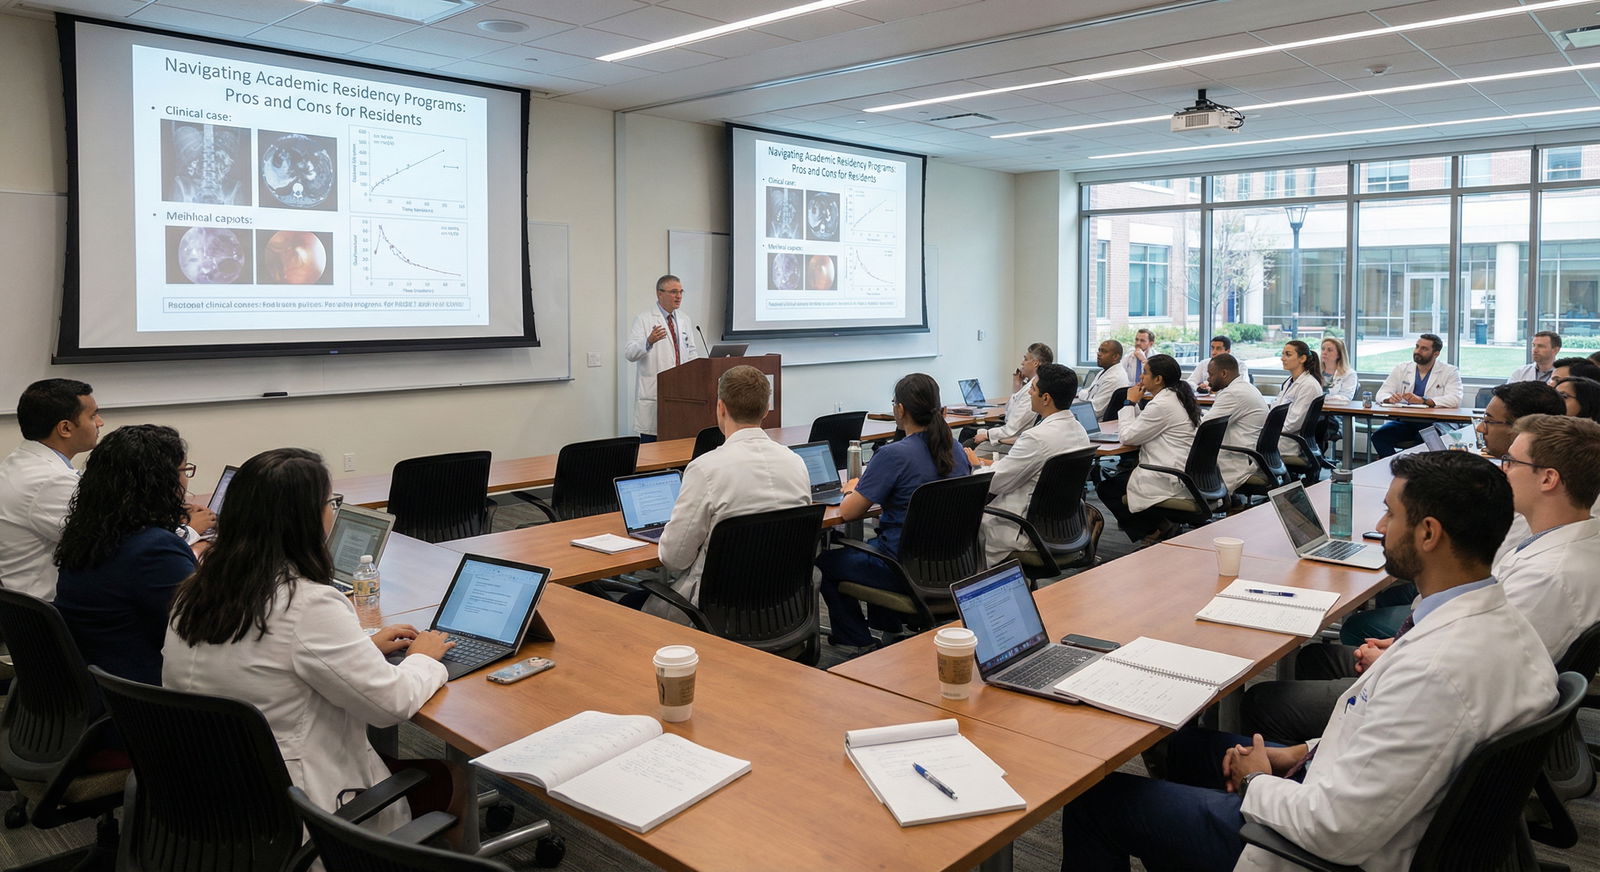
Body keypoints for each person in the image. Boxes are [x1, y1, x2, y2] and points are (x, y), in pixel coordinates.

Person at [1062, 451, 1555, 872]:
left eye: (1390, 515)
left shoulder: (1437, 668)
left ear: (1428, 533)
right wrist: (1296, 752)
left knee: (1093, 801)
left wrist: (1257, 779)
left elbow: (1336, 830)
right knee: (1186, 747)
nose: (1380, 528)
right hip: (1344, 792)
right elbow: (1390, 739)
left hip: (1308, 852)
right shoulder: (1500, 624)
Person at [164, 448, 455, 832]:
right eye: (331, 502)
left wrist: (362, 649)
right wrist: (424, 658)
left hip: (209, 793)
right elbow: (390, 705)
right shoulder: (307, 603)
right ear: (305, 518)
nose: (333, 512)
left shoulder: (195, 589)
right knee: (451, 778)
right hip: (297, 808)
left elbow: (265, 663)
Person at [817, 373, 970, 653]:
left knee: (827, 562)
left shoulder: (892, 455)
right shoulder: (955, 449)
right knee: (876, 543)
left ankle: (856, 639)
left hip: (903, 569)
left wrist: (853, 487)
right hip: (951, 565)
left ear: (899, 410)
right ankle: (889, 628)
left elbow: (850, 513)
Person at [649, 366, 810, 624]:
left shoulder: (706, 469)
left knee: (629, 607)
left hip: (714, 612)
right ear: (766, 409)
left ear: (720, 408)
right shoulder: (795, 463)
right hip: (780, 608)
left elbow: (673, 559)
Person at [51, 425, 196, 686]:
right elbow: (200, 630)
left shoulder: (88, 536)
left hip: (104, 687)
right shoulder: (155, 551)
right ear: (161, 482)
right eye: (184, 471)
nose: (186, 481)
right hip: (148, 701)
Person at [967, 364, 1088, 566]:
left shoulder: (1037, 437)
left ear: (1046, 398)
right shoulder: (1079, 430)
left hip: (1024, 529)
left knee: (958, 530)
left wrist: (977, 465)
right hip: (1063, 527)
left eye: (1032, 389)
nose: (1030, 393)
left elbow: (996, 484)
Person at [0, 379, 102, 600]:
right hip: (49, 613)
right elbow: (107, 543)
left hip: (20, 608)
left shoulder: (21, 461)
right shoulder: (51, 480)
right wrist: (186, 529)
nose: (100, 422)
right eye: (93, 416)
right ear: (65, 428)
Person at [1094, 354, 1199, 546]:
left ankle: (1153, 531)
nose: (1141, 377)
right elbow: (1144, 426)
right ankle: (1162, 526)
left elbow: (1128, 437)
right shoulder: (1175, 397)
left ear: (1158, 379)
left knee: (1107, 489)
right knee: (1120, 480)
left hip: (1167, 475)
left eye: (1145, 373)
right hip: (1179, 470)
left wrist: (1129, 403)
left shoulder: (1162, 403)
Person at [623, 275, 700, 441]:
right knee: (652, 449)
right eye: (673, 292)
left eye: (680, 292)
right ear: (659, 294)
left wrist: (699, 369)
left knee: (679, 446)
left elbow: (691, 351)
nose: (678, 296)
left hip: (681, 395)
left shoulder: (684, 319)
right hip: (655, 394)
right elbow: (629, 353)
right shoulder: (644, 319)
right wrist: (648, 341)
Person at [1370, 334, 1462, 457]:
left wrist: (1424, 401)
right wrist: (1389, 398)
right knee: (1379, 437)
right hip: (1408, 421)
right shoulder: (1402, 369)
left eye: (1424, 349)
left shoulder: (1450, 371)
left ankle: (1417, 472)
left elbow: (1455, 399)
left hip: (1437, 422)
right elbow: (1382, 393)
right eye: (1417, 347)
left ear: (1436, 353)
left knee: (1424, 439)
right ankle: (1396, 468)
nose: (1417, 351)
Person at [973, 342, 1052, 457]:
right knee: (970, 433)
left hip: (1014, 440)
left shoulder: (1033, 390)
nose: (1022, 363)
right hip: (1011, 434)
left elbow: (1012, 429)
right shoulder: (1030, 386)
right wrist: (1017, 385)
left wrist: (987, 435)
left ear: (1035, 363)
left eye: (1025, 359)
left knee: (968, 441)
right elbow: (1010, 414)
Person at [1203, 353, 1267, 493]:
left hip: (1239, 461)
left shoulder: (1233, 393)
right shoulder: (1245, 387)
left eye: (1211, 374)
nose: (1208, 379)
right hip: (1252, 455)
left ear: (1224, 373)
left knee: (1184, 459)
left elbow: (1205, 428)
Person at [1274, 340, 1324, 465]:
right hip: (1279, 434)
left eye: (1288, 354)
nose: (1282, 358)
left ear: (1302, 358)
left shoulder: (1308, 385)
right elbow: (1276, 408)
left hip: (1287, 442)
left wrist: (1268, 432)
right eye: (1283, 354)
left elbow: (1293, 423)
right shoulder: (1290, 381)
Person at [1315, 337, 1358, 451]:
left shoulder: (1349, 374)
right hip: (1314, 414)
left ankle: (1314, 460)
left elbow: (1346, 398)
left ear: (1339, 354)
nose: (1324, 352)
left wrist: (1322, 399)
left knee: (1316, 426)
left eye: (1329, 350)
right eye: (1323, 349)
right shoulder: (1314, 371)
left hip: (1336, 417)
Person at [1081, 339, 1131, 421]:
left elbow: (1095, 410)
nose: (1099, 354)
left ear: (1115, 357)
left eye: (1104, 351)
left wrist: (1082, 395)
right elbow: (1089, 391)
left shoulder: (1114, 377)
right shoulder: (1104, 371)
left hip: (1099, 422)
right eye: (1099, 350)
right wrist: (1083, 395)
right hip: (1091, 412)